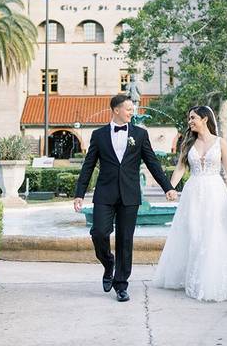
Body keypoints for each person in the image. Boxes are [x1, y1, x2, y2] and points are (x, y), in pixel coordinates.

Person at [73, 94, 178, 302]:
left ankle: (121, 284)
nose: (133, 112)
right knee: (99, 232)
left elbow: (152, 163)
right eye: (129, 109)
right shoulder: (99, 135)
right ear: (116, 110)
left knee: (125, 239)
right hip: (104, 193)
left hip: (130, 195)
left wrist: (168, 187)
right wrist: (79, 194)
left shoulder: (139, 134)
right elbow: (88, 165)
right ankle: (108, 262)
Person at [151, 105, 227, 302]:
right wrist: (170, 188)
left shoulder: (220, 142)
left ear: (205, 119)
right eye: (189, 118)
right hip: (193, 191)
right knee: (194, 231)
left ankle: (212, 278)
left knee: (215, 232)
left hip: (215, 191)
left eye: (193, 118)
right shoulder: (187, 143)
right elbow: (180, 168)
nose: (190, 122)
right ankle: (193, 275)